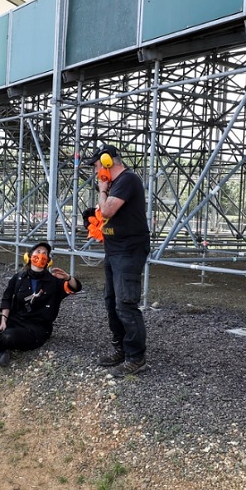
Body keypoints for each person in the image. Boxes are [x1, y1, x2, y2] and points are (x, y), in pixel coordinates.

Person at [87, 143, 151, 377]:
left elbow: (107, 211)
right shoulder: (117, 184)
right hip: (114, 249)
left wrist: (102, 189)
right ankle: (122, 350)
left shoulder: (127, 180)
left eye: (96, 166)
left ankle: (136, 358)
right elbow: (104, 217)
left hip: (129, 250)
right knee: (111, 301)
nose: (96, 172)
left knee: (125, 303)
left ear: (106, 161)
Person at [0, 241, 82, 368]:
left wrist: (68, 277)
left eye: (45, 253)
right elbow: (6, 299)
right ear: (28, 256)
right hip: (15, 320)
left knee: (8, 336)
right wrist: (3, 320)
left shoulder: (54, 281)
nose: (41, 256)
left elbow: (75, 287)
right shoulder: (18, 277)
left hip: (37, 328)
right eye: (38, 252)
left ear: (48, 260)